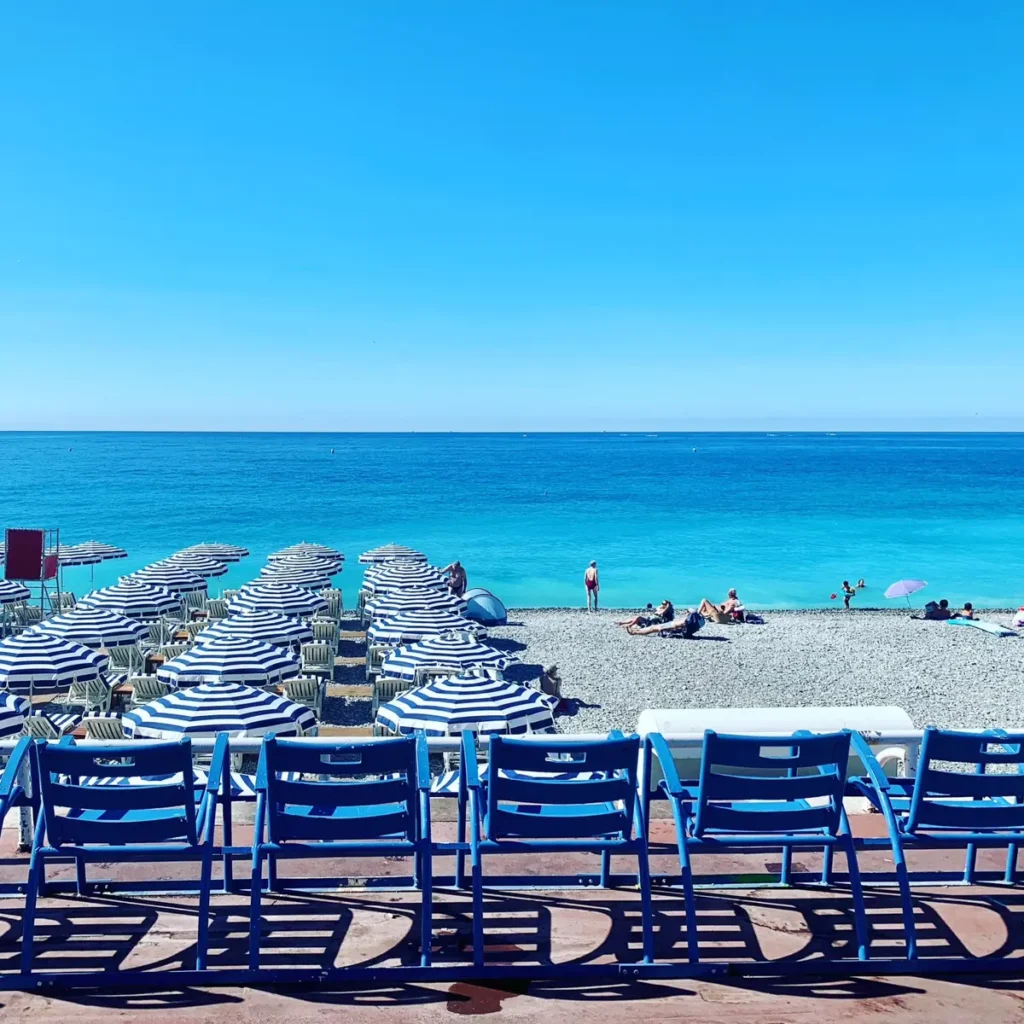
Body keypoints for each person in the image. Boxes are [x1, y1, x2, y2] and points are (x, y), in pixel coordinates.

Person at [628, 608, 704, 638]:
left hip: (671, 625)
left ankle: (635, 632)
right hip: (673, 625)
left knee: (653, 628)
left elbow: (692, 610)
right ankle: (636, 631)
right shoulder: (697, 622)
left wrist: (690, 610)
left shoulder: (689, 619)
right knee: (653, 628)